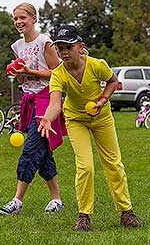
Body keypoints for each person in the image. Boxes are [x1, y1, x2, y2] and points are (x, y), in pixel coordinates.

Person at [37, 24, 140, 231]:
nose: (64, 52)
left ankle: (126, 211)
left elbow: (112, 81)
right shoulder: (58, 74)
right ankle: (84, 215)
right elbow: (55, 103)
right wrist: (48, 118)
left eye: (68, 47)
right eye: (60, 48)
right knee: (85, 167)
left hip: (102, 118)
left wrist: (102, 101)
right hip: (76, 120)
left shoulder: (96, 64)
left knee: (113, 163)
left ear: (80, 46)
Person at [0, 3, 66, 216]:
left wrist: (31, 71)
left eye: (23, 18)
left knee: (30, 149)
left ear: (34, 18)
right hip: (29, 101)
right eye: (15, 18)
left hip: (47, 100)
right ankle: (56, 200)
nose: (19, 22)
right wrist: (18, 72)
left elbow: (59, 73)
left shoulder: (44, 42)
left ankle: (17, 201)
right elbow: (24, 76)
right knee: (42, 152)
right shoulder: (17, 46)